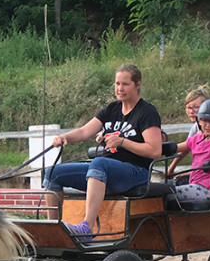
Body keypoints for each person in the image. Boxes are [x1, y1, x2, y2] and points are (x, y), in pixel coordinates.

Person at [44, 63, 163, 235]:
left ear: (138, 85)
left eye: (125, 84)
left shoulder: (146, 112)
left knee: (99, 163)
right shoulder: (112, 109)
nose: (119, 88)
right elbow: (85, 131)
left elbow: (154, 151)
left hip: (136, 172)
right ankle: (54, 229)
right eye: (117, 83)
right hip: (103, 171)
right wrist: (65, 137)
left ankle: (86, 227)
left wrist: (123, 142)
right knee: (52, 173)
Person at [167, 86, 210, 182]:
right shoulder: (197, 126)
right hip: (207, 171)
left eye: (196, 107)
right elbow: (186, 147)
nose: (191, 111)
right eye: (188, 107)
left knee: (181, 181)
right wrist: (171, 167)